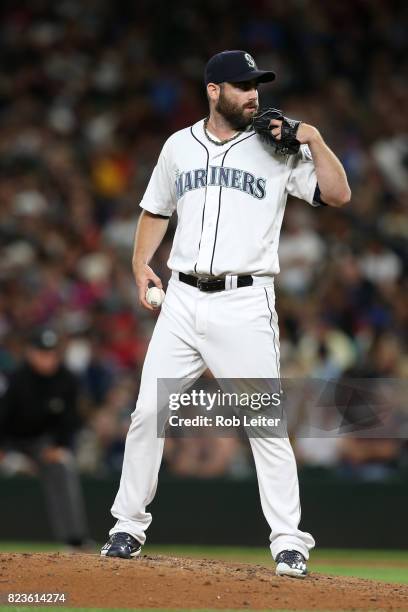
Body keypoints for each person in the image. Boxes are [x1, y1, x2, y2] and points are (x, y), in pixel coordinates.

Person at [101, 50, 351, 577]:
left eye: (255, 84)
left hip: (245, 300)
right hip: (182, 298)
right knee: (148, 412)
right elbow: (156, 209)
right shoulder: (178, 146)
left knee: (264, 422)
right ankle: (126, 526)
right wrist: (140, 262)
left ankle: (289, 541)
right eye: (241, 85)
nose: (253, 93)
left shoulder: (277, 147)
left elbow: (338, 194)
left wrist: (313, 140)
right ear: (213, 91)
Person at [0, 328, 90, 549]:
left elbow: (71, 420)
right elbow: (2, 416)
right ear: (31, 353)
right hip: (12, 446)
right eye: (42, 352)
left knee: (64, 466)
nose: (47, 358)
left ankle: (74, 540)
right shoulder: (17, 378)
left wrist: (60, 446)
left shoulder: (67, 379)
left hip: (44, 445)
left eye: (51, 353)